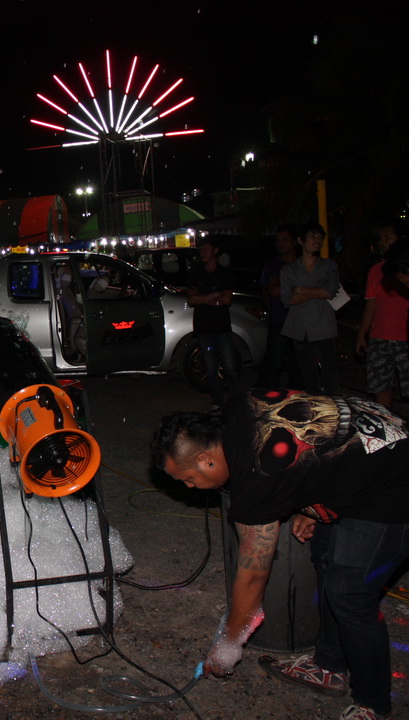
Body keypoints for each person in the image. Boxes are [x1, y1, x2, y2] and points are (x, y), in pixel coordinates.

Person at [153, 391, 409, 720]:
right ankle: (329, 664)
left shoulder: (256, 477)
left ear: (206, 460)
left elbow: (253, 576)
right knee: (325, 560)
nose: (189, 487)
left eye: (188, 479)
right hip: (373, 444)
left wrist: (228, 644)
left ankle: (373, 703)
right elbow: (307, 445)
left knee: (350, 594)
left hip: (396, 481)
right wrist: (312, 502)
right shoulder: (236, 410)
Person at [280, 223, 341, 395]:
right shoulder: (289, 270)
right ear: (301, 241)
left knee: (330, 376)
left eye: (320, 237)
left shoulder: (329, 266)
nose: (317, 241)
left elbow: (329, 292)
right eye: (313, 237)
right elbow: (288, 299)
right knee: (309, 377)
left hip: (324, 326)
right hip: (300, 328)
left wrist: (299, 289)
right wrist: (317, 291)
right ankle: (315, 408)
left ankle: (332, 408)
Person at [354, 220, 409, 408]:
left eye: (388, 238)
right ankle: (386, 421)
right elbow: (371, 303)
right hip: (380, 337)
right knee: (380, 384)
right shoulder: (377, 270)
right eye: (381, 238)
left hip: (404, 337)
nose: (383, 242)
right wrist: (362, 334)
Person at [186, 238, 241, 407]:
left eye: (206, 249)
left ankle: (236, 402)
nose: (202, 253)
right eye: (201, 250)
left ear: (215, 251)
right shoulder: (196, 274)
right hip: (204, 328)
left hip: (222, 327)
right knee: (210, 368)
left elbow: (227, 300)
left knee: (229, 366)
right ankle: (217, 402)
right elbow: (192, 300)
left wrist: (204, 298)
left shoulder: (224, 273)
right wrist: (215, 295)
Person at [256, 225, 299, 389]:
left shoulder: (303, 264)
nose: (281, 244)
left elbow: (313, 289)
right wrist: (299, 288)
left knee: (298, 364)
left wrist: (283, 285)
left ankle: (295, 398)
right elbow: (272, 291)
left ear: (295, 241)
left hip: (301, 320)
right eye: (278, 241)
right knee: (274, 363)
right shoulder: (273, 265)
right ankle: (270, 398)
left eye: (285, 240)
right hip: (279, 320)